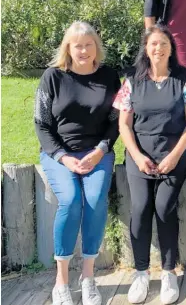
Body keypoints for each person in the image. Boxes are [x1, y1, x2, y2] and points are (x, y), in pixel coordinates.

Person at [34, 21, 120, 305]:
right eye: (77, 45)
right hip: (59, 154)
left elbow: (115, 121)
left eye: (88, 44)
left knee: (95, 200)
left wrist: (100, 150)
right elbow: (42, 124)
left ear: (96, 47)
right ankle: (61, 281)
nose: (83, 50)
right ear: (68, 48)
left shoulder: (109, 76)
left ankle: (88, 277)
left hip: (98, 152)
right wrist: (63, 157)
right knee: (70, 200)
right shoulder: (52, 77)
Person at [113, 25, 186, 304]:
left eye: (163, 44)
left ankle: (169, 272)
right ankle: (140, 273)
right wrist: (137, 156)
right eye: (153, 44)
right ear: (146, 49)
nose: (158, 49)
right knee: (140, 207)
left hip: (175, 153)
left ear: (171, 48)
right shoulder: (132, 80)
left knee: (164, 207)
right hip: (141, 155)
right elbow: (124, 125)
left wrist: (173, 156)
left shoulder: (185, 78)